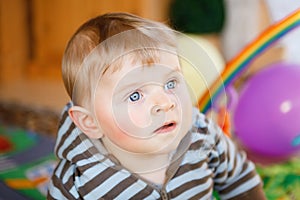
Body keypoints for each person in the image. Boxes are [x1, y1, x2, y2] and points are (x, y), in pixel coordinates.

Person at [48, 12, 266, 199]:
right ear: (91, 122)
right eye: (135, 96)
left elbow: (239, 177)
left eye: (170, 83)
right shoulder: (77, 181)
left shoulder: (202, 136)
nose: (164, 103)